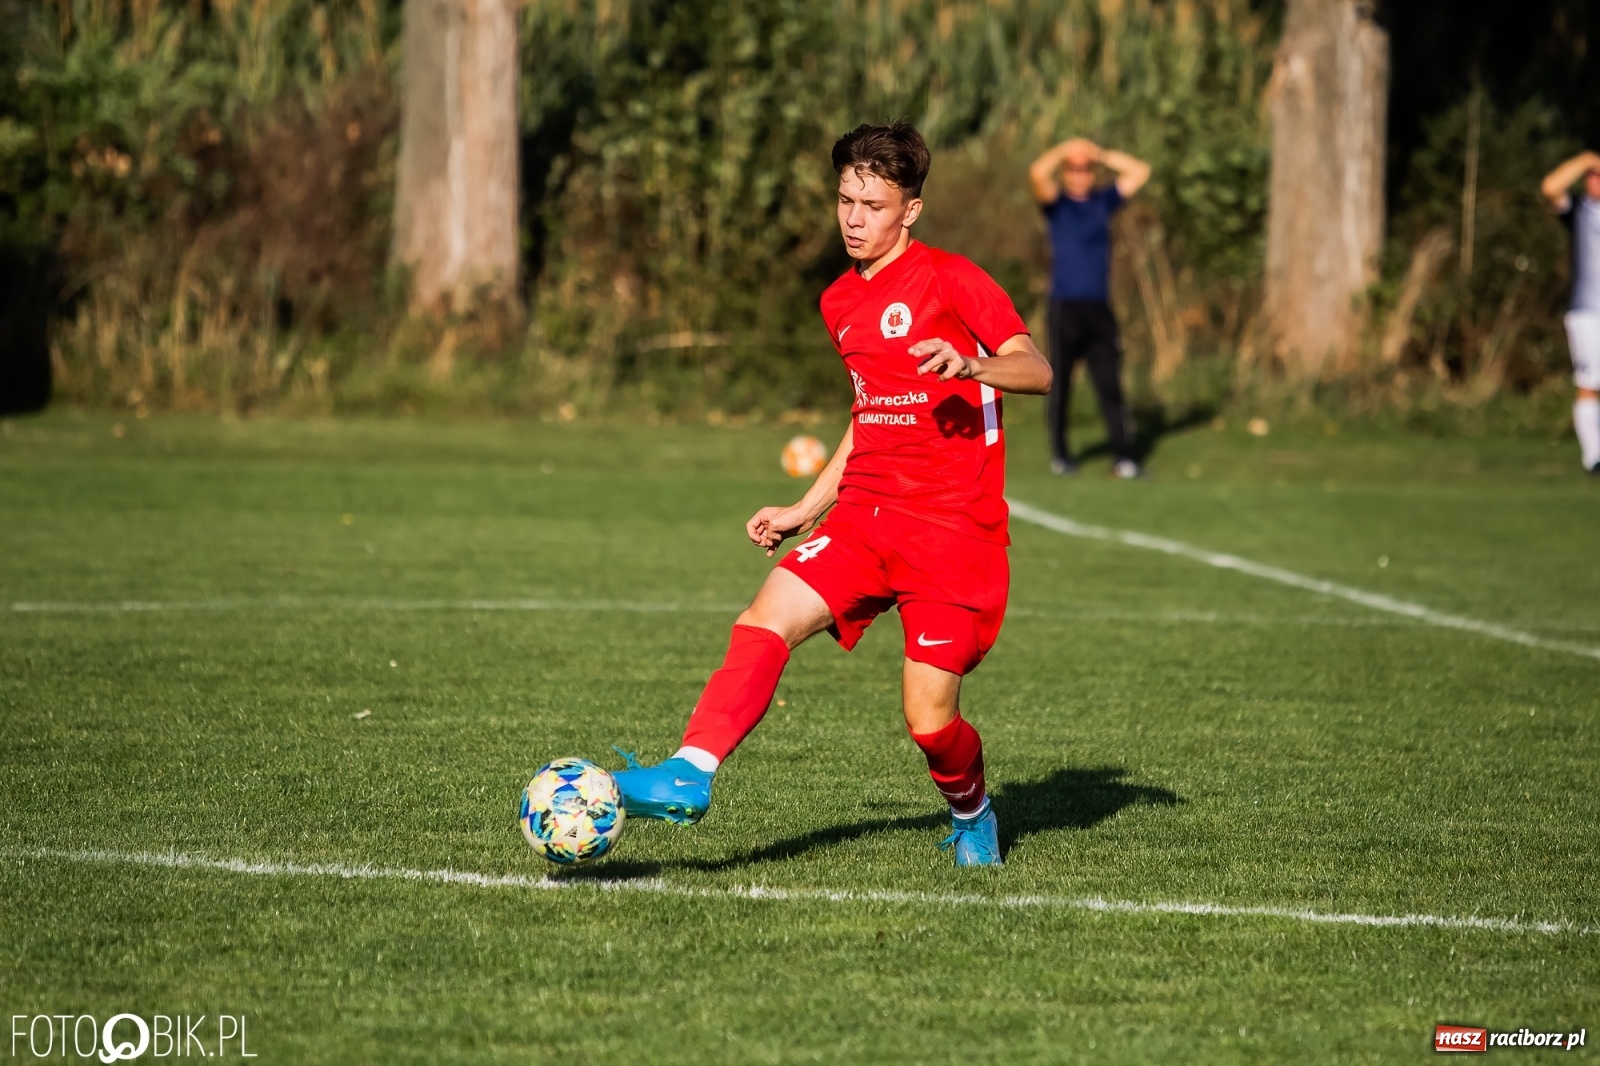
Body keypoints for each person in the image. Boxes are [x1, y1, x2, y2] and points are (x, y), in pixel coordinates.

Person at [612, 122, 1052, 867]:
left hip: (952, 533)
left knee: (929, 720)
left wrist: (971, 368)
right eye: (845, 199)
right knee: (764, 619)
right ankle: (690, 772)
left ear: (910, 210)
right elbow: (867, 414)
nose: (853, 218)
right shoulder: (839, 302)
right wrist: (804, 508)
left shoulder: (952, 279)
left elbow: (1035, 368)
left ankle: (972, 808)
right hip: (864, 519)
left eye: (873, 205)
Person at [1028, 137, 1151, 478]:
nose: (1080, 174)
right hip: (1064, 307)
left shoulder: (1103, 202)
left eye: (1085, 169)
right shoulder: (1057, 204)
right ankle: (1062, 456)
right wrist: (1066, 148)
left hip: (1098, 307)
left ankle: (1124, 457)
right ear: (1067, 173)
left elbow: (1140, 171)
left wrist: (1099, 153)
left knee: (1109, 383)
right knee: (1060, 382)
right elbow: (1038, 172)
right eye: (1074, 168)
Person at [1541, 150, 1600, 475]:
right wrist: (1587, 160)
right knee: (1590, 383)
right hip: (1587, 313)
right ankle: (1594, 457)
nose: (1595, 181)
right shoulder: (1578, 210)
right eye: (1592, 176)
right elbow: (1550, 187)